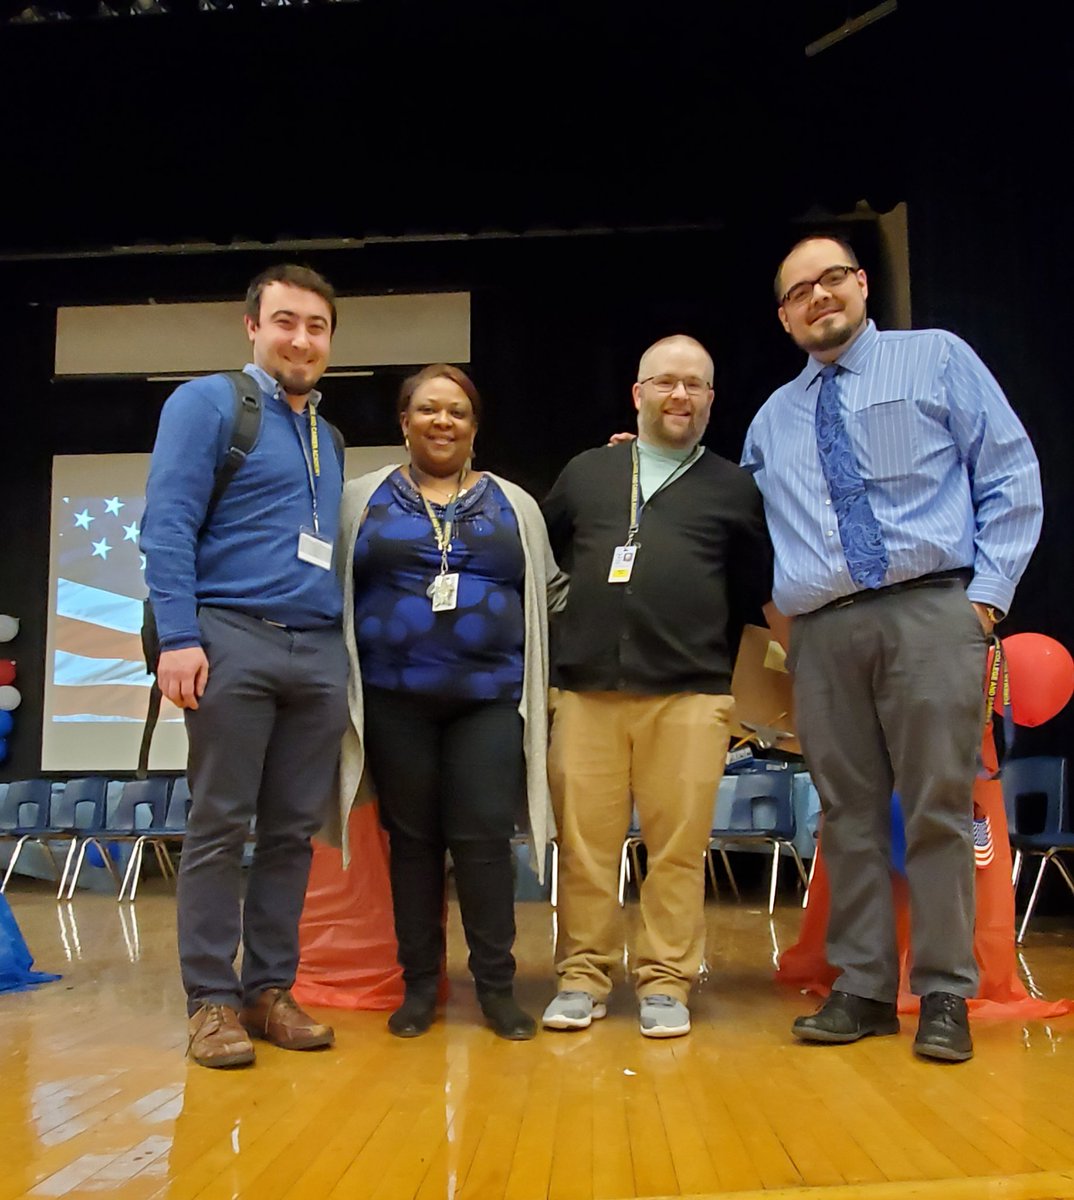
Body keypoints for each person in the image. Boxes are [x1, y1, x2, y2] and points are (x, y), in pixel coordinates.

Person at [742, 234, 1042, 1062]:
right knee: (847, 818)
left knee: (940, 808)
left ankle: (944, 991)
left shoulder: (937, 358)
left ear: (863, 283)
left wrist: (985, 602)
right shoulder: (771, 420)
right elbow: (749, 534)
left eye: (831, 278)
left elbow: (1011, 474)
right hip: (824, 633)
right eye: (798, 291)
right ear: (783, 315)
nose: (817, 297)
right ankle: (865, 986)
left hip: (932, 611)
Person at [142, 264, 348, 1069]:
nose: (301, 338)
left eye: (317, 326)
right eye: (286, 321)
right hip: (230, 637)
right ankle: (210, 1005)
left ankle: (268, 991)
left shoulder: (325, 436)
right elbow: (166, 524)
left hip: (317, 650)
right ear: (252, 327)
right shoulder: (208, 403)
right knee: (220, 824)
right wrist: (181, 638)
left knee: (293, 833)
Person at [540, 335, 771, 1038]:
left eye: (694, 385)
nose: (680, 396)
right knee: (584, 849)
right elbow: (545, 564)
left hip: (692, 697)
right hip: (586, 694)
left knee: (678, 850)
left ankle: (667, 981)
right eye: (665, 383)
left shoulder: (734, 486)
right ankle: (582, 974)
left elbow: (753, 591)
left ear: (710, 400)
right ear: (637, 394)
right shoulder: (587, 473)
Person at [328, 364, 564, 1041]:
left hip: (489, 699)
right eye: (427, 409)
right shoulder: (359, 501)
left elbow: (550, 593)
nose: (442, 421)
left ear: (474, 426)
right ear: (403, 421)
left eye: (457, 411)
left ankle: (496, 988)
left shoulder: (514, 504)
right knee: (413, 845)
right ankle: (421, 986)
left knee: (485, 841)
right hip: (393, 700)